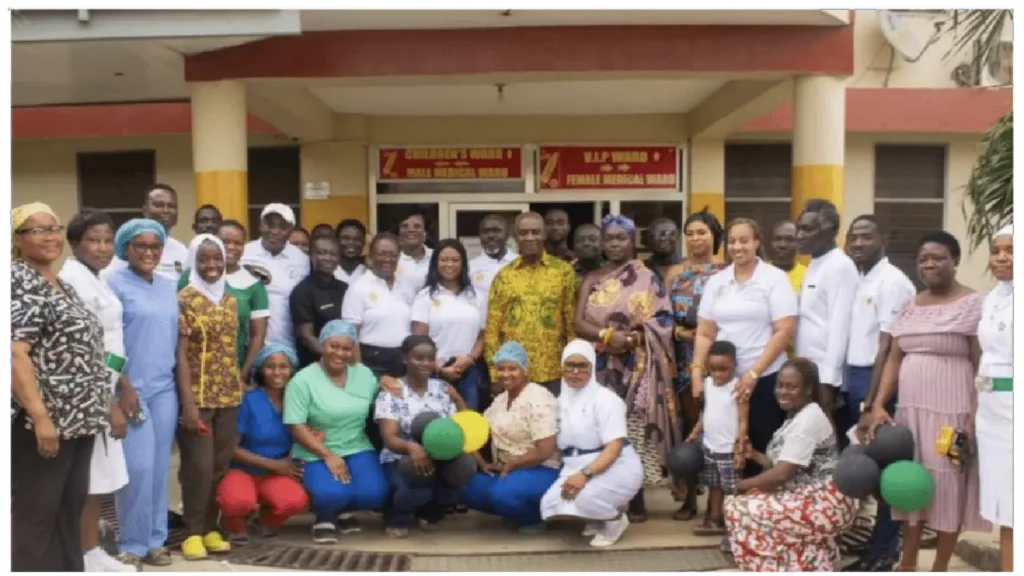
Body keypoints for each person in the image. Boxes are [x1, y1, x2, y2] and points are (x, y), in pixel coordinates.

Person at [866, 232, 988, 574]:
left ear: (955, 260)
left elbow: (982, 365)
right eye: (923, 259)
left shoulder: (974, 304)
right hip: (911, 415)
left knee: (949, 485)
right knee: (911, 484)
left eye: (938, 257)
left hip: (954, 415)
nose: (930, 264)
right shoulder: (910, 306)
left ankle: (940, 567)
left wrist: (975, 418)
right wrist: (878, 404)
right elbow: (893, 358)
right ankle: (907, 564)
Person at [10, 203, 111, 573]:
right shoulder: (19, 281)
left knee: (67, 512)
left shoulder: (60, 283)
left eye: (54, 228)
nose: (50, 236)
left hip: (79, 421)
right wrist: (40, 419)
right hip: (43, 424)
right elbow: (16, 354)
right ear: (18, 240)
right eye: (37, 230)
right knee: (36, 516)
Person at [574, 214, 679, 522]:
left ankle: (636, 498)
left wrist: (632, 337)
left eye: (621, 238)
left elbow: (663, 318)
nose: (615, 243)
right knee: (604, 430)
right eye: (609, 238)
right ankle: (602, 496)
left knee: (633, 431)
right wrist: (609, 335)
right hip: (603, 365)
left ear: (632, 241)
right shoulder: (592, 278)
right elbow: (578, 322)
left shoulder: (647, 276)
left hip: (638, 364)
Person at [57, 209, 135, 573]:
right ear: (74, 244)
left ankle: (91, 551)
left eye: (107, 240)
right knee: (88, 479)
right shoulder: (71, 281)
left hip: (105, 383)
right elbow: (82, 351)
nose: (103, 248)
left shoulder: (96, 277)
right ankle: (81, 555)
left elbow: (110, 344)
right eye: (93, 240)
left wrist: (122, 383)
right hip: (88, 396)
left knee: (99, 480)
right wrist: (109, 405)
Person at [725, 358, 857, 573]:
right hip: (808, 496)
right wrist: (754, 455)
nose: (783, 392)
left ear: (807, 389)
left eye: (791, 387)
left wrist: (741, 485)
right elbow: (784, 463)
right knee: (753, 499)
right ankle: (795, 564)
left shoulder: (807, 419)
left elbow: (781, 474)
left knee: (738, 507)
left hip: (824, 503)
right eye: (780, 385)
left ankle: (769, 567)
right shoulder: (798, 414)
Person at [692, 218, 798, 478]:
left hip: (765, 377)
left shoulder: (774, 278)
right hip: (724, 380)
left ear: (756, 243)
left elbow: (783, 330)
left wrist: (753, 374)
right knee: (726, 444)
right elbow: (706, 332)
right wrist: (697, 372)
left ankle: (764, 507)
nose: (737, 247)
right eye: (732, 241)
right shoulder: (717, 282)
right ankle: (734, 509)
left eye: (744, 241)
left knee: (762, 440)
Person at [106, 218, 181, 570]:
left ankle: (155, 541)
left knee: (158, 470)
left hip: (164, 390)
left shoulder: (168, 286)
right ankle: (132, 544)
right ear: (126, 249)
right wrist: (123, 385)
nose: (149, 252)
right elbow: (107, 341)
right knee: (137, 467)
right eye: (141, 246)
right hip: (131, 391)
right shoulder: (112, 284)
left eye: (155, 246)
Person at [841, 215, 915, 573]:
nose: (857, 243)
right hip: (854, 377)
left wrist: (873, 403)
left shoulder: (893, 282)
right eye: (853, 237)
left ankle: (886, 549)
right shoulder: (857, 277)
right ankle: (876, 541)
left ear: (884, 238)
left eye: (866, 237)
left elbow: (888, 348)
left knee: (885, 467)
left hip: (877, 380)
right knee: (865, 467)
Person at [284, 320, 389, 544]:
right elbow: (295, 425)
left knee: (375, 493)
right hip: (316, 450)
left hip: (356, 446)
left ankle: (343, 510)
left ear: (353, 350)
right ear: (322, 345)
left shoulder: (363, 375)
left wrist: (387, 381)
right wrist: (328, 455)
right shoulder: (302, 381)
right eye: (334, 346)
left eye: (346, 348)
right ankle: (325, 517)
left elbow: (380, 394)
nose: (340, 353)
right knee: (331, 494)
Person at [175, 234, 243, 560]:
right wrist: (187, 402)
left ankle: (213, 528)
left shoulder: (230, 300)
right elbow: (180, 354)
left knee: (219, 466)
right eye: (204, 259)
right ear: (193, 262)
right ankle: (192, 531)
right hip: (198, 399)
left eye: (218, 258)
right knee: (197, 468)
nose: (212, 265)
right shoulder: (184, 299)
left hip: (228, 396)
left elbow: (231, 348)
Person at [539, 340, 642, 548]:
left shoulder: (606, 400)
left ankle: (614, 520)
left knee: (584, 499)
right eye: (570, 365)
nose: (575, 371)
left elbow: (614, 447)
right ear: (562, 367)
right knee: (550, 505)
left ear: (592, 368)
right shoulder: (559, 401)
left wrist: (584, 474)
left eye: (582, 365)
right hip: (575, 466)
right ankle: (596, 518)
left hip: (616, 466)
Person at [664, 208, 726, 521]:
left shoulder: (727, 271)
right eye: (690, 233)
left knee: (720, 429)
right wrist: (679, 332)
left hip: (720, 363)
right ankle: (689, 498)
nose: (695, 238)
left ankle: (722, 503)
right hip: (684, 363)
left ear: (715, 236)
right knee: (689, 429)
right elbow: (661, 316)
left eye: (702, 232)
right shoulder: (675, 273)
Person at [217, 344, 309, 545]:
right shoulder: (249, 400)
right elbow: (232, 450)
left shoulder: (297, 400)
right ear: (261, 370)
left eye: (283, 366)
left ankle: (264, 521)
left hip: (275, 474)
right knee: (237, 501)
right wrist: (275, 466)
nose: (277, 372)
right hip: (243, 469)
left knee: (294, 501)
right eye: (270, 366)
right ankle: (233, 524)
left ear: (292, 369)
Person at [463, 342, 560, 533]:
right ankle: (512, 508)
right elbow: (477, 428)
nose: (506, 374)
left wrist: (511, 466)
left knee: (502, 494)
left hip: (541, 469)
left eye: (512, 368)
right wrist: (483, 463)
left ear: (524, 370)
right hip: (508, 470)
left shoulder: (539, 397)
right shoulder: (500, 400)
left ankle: (535, 518)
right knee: (467, 488)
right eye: (501, 368)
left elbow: (545, 449)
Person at [375, 335, 465, 538]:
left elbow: (462, 426)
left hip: (439, 455)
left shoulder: (442, 389)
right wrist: (411, 448)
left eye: (430, 358)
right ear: (405, 359)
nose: (425, 364)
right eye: (418, 358)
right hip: (401, 456)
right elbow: (389, 438)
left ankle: (430, 513)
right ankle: (395, 517)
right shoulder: (393, 390)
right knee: (415, 491)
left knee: (462, 474)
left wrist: (458, 400)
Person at [485, 212, 577, 396]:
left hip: (552, 371)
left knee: (552, 424)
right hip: (512, 373)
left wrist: (573, 366)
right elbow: (492, 329)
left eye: (535, 232)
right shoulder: (504, 276)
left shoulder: (563, 272)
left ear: (544, 235)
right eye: (524, 233)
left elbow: (571, 325)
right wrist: (495, 373)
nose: (530, 237)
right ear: (515, 237)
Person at [794, 199, 859, 423]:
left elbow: (840, 327)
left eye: (808, 229)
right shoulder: (815, 263)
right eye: (799, 228)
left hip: (826, 379)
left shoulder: (839, 266)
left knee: (828, 442)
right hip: (809, 373)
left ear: (830, 232)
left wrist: (830, 383)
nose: (800, 235)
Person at [975, 224, 1014, 573]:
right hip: (990, 414)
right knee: (1003, 506)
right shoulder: (994, 296)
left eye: (1010, 250)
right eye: (996, 250)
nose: (1002, 257)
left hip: (1012, 410)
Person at [411, 239, 486, 411]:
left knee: (468, 424)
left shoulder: (477, 296)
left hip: (469, 372)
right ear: (435, 263)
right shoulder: (425, 297)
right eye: (444, 259)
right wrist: (438, 366)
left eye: (455, 260)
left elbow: (483, 335)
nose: (449, 264)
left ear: (463, 263)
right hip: (433, 372)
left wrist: (469, 360)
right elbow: (419, 339)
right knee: (435, 423)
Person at [684, 341, 739, 538]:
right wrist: (695, 432)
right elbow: (705, 413)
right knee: (714, 485)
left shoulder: (737, 386)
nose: (718, 374)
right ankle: (715, 519)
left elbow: (743, 417)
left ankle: (736, 522)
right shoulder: (707, 383)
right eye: (713, 369)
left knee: (732, 488)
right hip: (711, 447)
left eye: (723, 369)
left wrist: (741, 442)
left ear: (734, 365)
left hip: (729, 449)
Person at [341, 232, 414, 378]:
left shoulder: (407, 286)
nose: (387, 259)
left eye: (393, 255)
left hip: (403, 360)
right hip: (371, 360)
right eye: (382, 254)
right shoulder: (358, 287)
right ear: (371, 257)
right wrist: (358, 370)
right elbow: (351, 333)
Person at [241, 204, 310, 348]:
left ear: (291, 230)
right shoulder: (244, 253)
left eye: (282, 226)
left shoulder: (302, 260)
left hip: (286, 344)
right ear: (260, 225)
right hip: (246, 343)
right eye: (269, 224)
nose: (274, 231)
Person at [104, 184, 189, 282]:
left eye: (171, 206)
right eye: (159, 205)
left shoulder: (180, 250)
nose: (166, 210)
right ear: (145, 210)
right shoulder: (129, 245)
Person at [291, 236, 349, 369]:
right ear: (311, 256)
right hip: (315, 364)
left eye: (333, 254)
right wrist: (334, 359)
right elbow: (306, 336)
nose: (328, 258)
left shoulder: (345, 289)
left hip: (343, 362)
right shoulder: (302, 291)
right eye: (322, 253)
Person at [468, 213, 516, 319]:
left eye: (496, 230)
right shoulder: (470, 267)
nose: (490, 235)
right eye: (485, 231)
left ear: (507, 235)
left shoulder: (520, 263)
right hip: (482, 331)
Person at [395, 211, 434, 302]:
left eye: (417, 226)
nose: (411, 230)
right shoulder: (390, 259)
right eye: (405, 226)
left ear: (425, 233)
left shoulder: (437, 257)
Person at [643, 217, 683, 285]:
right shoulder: (642, 269)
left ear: (677, 238)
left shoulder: (687, 267)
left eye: (670, 234)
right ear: (649, 239)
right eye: (657, 234)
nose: (663, 238)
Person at [770, 220, 806, 294]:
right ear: (772, 243)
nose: (782, 245)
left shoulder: (807, 276)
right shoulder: (758, 273)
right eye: (778, 239)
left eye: (789, 239)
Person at [335, 219, 368, 285]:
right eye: (346, 238)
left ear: (363, 242)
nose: (351, 242)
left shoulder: (369, 270)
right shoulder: (328, 269)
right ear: (336, 240)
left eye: (357, 239)